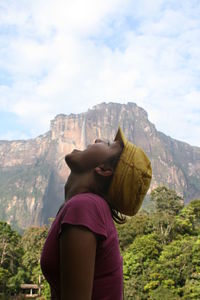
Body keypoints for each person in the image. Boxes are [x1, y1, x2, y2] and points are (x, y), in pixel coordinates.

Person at [40, 127, 152, 300]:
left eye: (108, 145)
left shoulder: (85, 207)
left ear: (104, 169)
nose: (98, 140)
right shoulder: (84, 207)